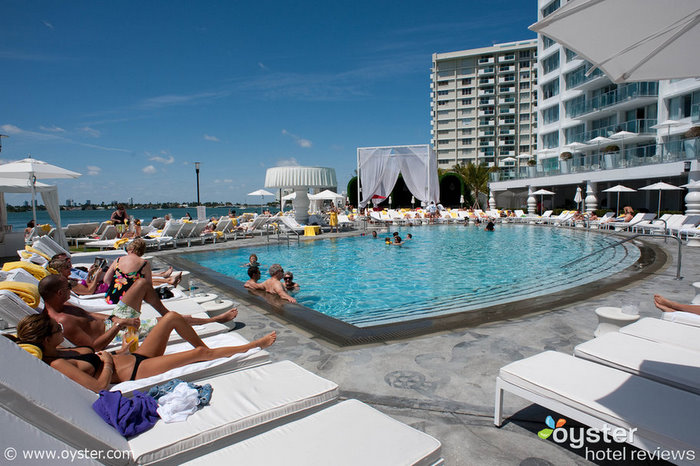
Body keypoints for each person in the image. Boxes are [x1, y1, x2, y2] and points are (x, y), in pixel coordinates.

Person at [11, 313, 275, 392]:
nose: (61, 329)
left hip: (132, 357)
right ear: (47, 339)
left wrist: (119, 347)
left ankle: (201, 346)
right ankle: (253, 346)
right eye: (57, 328)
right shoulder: (58, 363)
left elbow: (96, 352)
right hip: (134, 371)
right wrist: (110, 365)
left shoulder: (61, 350)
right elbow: (97, 388)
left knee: (171, 318)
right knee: (198, 357)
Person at [40, 274, 238, 351]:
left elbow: (93, 316)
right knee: (172, 320)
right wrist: (120, 325)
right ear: (59, 293)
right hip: (120, 337)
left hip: (116, 323)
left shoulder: (65, 307)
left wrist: (114, 317)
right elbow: (94, 347)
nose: (71, 288)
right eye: (67, 287)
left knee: (142, 284)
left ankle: (166, 312)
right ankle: (212, 320)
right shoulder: (62, 321)